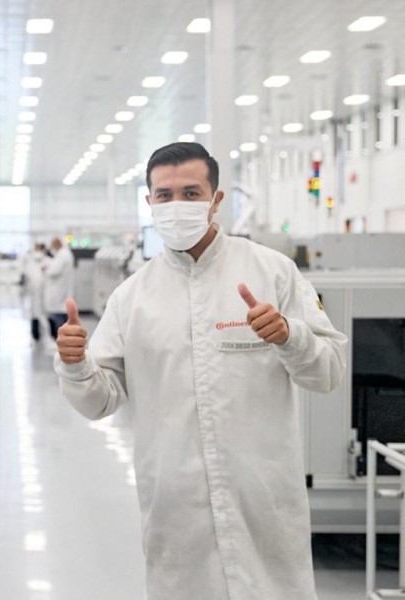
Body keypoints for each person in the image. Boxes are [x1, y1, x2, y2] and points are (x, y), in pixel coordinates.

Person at [55, 142, 347, 599]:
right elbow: (100, 401)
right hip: (177, 512)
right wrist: (75, 365)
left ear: (216, 200)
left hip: (263, 503)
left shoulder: (273, 273)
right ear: (150, 202)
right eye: (165, 195)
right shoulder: (131, 298)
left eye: (191, 193)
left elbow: (328, 372)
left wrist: (291, 335)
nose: (177, 205)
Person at [43, 237, 75, 339]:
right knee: (60, 319)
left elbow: (54, 271)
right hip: (60, 293)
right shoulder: (64, 254)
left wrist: (46, 268)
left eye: (52, 246)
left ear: (56, 245)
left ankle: (60, 340)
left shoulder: (63, 255)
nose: (51, 249)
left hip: (59, 294)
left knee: (60, 324)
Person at [24, 242, 49, 342]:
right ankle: (37, 334)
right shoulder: (35, 260)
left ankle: (38, 334)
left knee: (38, 313)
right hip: (37, 290)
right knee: (37, 312)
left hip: (41, 291)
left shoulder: (42, 259)